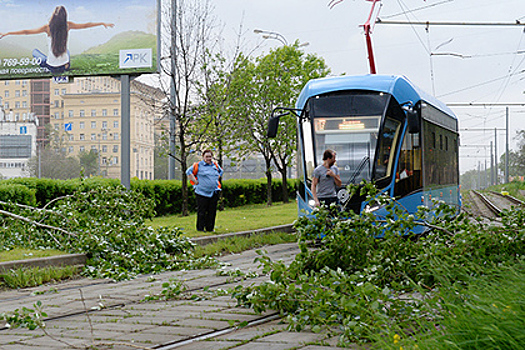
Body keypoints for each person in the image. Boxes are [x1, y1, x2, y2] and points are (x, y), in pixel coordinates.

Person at [0, 6, 114, 74]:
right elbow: (85, 25)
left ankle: (46, 64)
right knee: (66, 51)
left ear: (53, 16)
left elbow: (26, 32)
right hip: (65, 66)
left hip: (52, 67)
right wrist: (102, 23)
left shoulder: (48, 28)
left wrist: (7, 33)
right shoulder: (67, 25)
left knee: (35, 52)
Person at [186, 150, 223, 232]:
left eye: (210, 156)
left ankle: (210, 228)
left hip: (214, 192)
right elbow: (188, 172)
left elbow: (221, 171)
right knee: (202, 211)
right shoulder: (198, 165)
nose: (208, 158)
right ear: (203, 157)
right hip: (201, 192)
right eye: (207, 157)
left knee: (212, 211)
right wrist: (195, 181)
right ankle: (200, 228)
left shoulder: (215, 165)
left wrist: (215, 179)